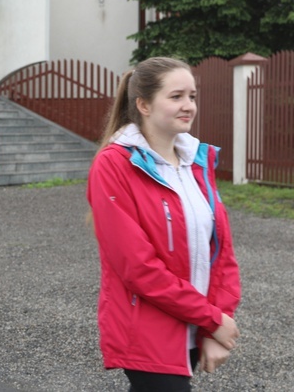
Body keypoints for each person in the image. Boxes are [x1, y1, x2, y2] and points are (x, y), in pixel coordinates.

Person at [86, 57, 241, 392]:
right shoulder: (114, 166)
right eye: (176, 97)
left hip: (195, 325)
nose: (189, 106)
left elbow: (222, 253)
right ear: (143, 104)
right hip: (146, 334)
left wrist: (214, 326)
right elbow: (137, 267)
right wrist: (212, 321)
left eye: (192, 96)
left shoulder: (196, 162)